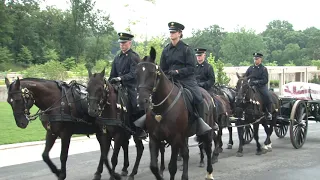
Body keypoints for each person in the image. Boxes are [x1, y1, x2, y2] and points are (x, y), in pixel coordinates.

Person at [159, 22, 218, 135]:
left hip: (186, 80)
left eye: (174, 32)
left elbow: (191, 68)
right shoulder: (166, 50)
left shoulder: (186, 49)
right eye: (170, 32)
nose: (171, 34)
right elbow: (163, 67)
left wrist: (177, 72)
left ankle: (201, 122)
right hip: (170, 80)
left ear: (180, 33)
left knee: (198, 97)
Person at [109, 32, 148, 139]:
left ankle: (140, 129)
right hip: (118, 86)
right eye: (121, 43)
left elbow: (134, 73)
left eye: (124, 43)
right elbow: (112, 74)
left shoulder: (134, 57)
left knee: (136, 105)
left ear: (130, 43)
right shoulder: (117, 58)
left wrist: (120, 78)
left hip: (132, 86)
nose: (122, 45)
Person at [245, 52, 272, 120]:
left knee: (266, 96)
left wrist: (257, 82)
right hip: (251, 86)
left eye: (257, 59)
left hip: (260, 87)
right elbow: (246, 76)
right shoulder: (250, 68)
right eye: (254, 59)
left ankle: (268, 112)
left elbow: (265, 80)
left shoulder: (263, 69)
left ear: (260, 59)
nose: (255, 60)